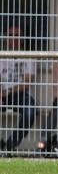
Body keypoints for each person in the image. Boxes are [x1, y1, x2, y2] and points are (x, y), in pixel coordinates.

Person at [0, 25, 37, 153]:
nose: (14, 38)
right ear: (6, 38)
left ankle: (10, 144)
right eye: (11, 35)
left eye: (17, 35)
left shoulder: (29, 56)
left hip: (20, 95)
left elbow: (27, 83)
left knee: (30, 110)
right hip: (2, 95)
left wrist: (8, 91)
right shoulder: (2, 55)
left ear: (22, 38)